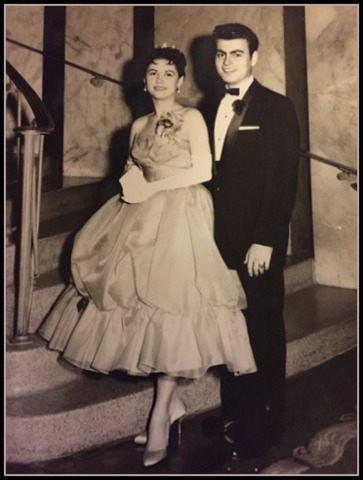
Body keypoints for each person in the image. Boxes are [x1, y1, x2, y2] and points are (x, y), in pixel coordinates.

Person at [38, 46, 257, 468]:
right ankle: (170, 407)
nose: (160, 79)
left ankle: (160, 413)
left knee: (171, 305)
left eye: (169, 73)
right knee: (136, 302)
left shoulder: (192, 117)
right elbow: (133, 169)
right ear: (144, 81)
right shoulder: (138, 123)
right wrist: (132, 183)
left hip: (181, 214)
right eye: (153, 72)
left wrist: (152, 188)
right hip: (139, 216)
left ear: (180, 82)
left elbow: (203, 172)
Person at [204, 24, 300, 457]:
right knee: (230, 327)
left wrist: (265, 240)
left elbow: (282, 181)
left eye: (236, 54)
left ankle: (268, 422)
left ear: (254, 58)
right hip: (218, 239)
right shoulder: (207, 108)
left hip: (258, 241)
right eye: (221, 54)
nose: (227, 61)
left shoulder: (278, 107)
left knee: (262, 327)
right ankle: (238, 412)